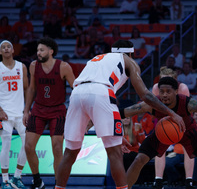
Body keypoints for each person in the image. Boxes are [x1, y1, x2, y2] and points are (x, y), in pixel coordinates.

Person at [54, 40, 185, 189]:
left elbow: (90, 96)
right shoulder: (129, 61)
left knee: (70, 153)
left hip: (76, 94)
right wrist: (172, 113)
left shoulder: (97, 59)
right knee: (115, 154)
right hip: (102, 92)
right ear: (130, 53)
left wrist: (115, 134)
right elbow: (145, 95)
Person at [23, 37, 75, 189]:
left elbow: (76, 89)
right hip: (38, 109)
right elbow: (32, 89)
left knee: (57, 147)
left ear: (51, 51)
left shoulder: (64, 67)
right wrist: (26, 111)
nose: (38, 53)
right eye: (37, 50)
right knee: (28, 146)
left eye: (42, 50)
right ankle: (37, 181)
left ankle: (58, 185)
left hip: (57, 110)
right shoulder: (33, 66)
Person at [0, 40, 28, 189]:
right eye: (2, 47)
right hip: (3, 114)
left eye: (8, 46)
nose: (5, 48)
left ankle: (17, 177)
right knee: (6, 144)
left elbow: (27, 89)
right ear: (0, 52)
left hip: (20, 113)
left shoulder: (21, 67)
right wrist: (0, 110)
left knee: (28, 144)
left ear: (12, 51)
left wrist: (27, 109)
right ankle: (5, 181)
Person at [151, 67, 195, 189]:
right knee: (159, 147)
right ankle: (158, 181)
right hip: (163, 119)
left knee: (188, 147)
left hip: (182, 119)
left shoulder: (183, 88)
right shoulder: (156, 88)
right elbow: (157, 109)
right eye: (163, 81)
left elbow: (186, 110)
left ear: (175, 81)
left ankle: (189, 181)